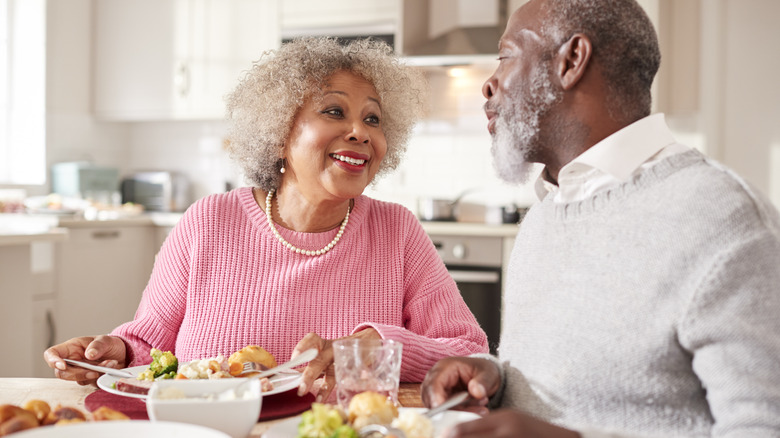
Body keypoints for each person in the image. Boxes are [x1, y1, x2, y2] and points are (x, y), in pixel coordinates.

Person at [44, 37, 489, 400]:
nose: (360, 132)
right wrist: (112, 352)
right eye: (334, 111)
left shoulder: (397, 232)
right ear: (279, 135)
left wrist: (376, 346)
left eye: (373, 118)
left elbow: (470, 351)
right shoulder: (208, 221)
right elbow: (148, 344)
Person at [421, 0, 780, 437]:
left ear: (571, 60)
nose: (489, 85)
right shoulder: (548, 212)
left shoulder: (722, 219)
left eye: (505, 56)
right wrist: (495, 379)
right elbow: (579, 387)